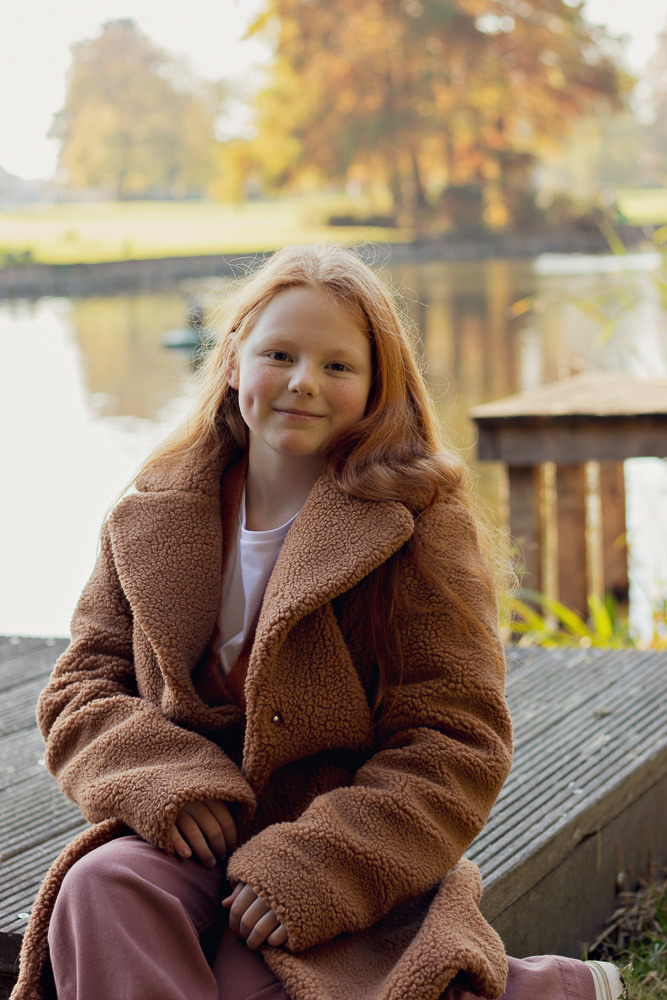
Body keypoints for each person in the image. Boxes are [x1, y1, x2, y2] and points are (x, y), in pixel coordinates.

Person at [11, 244, 624, 1000]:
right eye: (279, 354)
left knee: (260, 980)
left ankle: (532, 989)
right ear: (234, 360)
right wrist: (162, 779)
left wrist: (316, 866)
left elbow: (456, 741)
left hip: (336, 845)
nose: (304, 382)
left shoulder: (419, 526)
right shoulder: (149, 511)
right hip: (189, 830)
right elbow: (83, 683)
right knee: (98, 889)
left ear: (375, 389)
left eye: (338, 366)